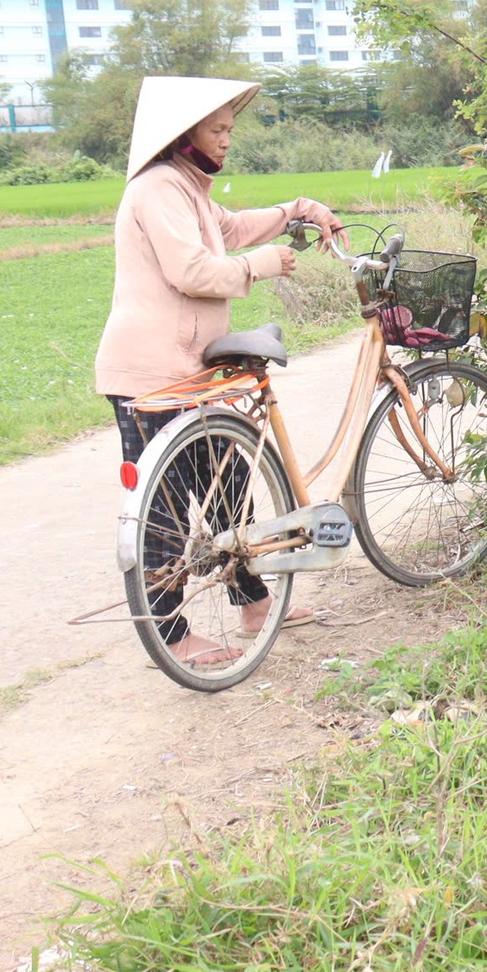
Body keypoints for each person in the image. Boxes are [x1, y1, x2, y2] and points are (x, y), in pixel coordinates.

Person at [94, 76, 343, 668]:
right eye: (218, 129)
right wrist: (263, 265)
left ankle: (254, 600)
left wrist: (295, 211)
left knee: (230, 478)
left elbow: (228, 230)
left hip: (188, 372)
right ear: (187, 134)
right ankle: (170, 633)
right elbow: (192, 270)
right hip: (151, 374)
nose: (228, 140)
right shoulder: (157, 189)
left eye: (230, 128)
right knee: (170, 508)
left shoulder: (189, 189)